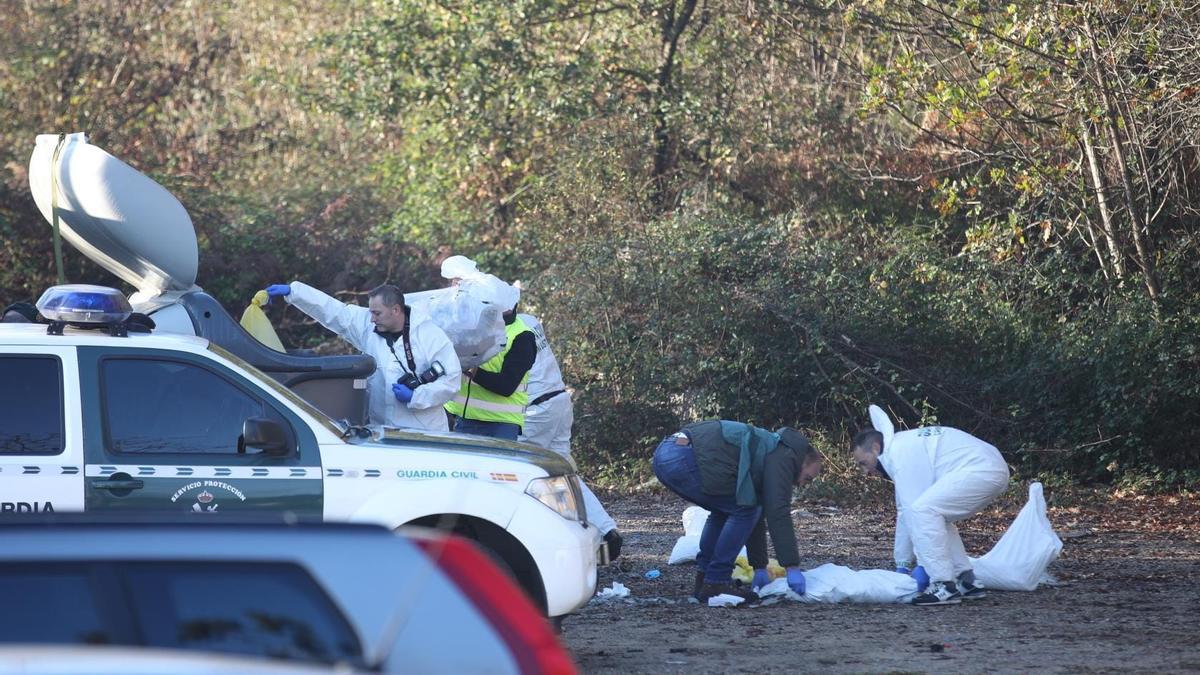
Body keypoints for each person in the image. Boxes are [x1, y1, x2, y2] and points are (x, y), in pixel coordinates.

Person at [850, 404, 1010, 606]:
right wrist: (902, 562)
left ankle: (943, 584)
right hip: (989, 466)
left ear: (875, 448)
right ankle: (966, 580)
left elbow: (913, 512)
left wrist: (924, 566)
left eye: (864, 463)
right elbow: (905, 510)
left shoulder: (899, 453)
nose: (866, 472)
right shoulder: (901, 447)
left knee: (924, 511)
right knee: (934, 514)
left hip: (980, 469)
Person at [652, 421, 823, 604]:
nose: (802, 484)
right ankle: (716, 582)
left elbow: (757, 508)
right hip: (682, 456)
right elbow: (778, 511)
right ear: (802, 461)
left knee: (727, 509)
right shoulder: (785, 456)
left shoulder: (773, 449)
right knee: (743, 510)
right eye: (807, 478)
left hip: (668, 452)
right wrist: (792, 567)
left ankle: (704, 582)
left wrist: (759, 567)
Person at [265, 281, 461, 431]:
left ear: (395, 310)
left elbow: (451, 381)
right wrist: (294, 292)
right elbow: (333, 311)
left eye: (377, 313)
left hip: (424, 433)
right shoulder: (369, 325)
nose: (372, 319)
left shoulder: (429, 335)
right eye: (371, 313)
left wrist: (417, 395)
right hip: (381, 432)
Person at [516, 309, 623, 561]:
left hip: (535, 410)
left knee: (523, 473)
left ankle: (553, 543)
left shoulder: (500, 333)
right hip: (558, 401)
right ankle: (605, 532)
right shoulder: (529, 320)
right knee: (564, 474)